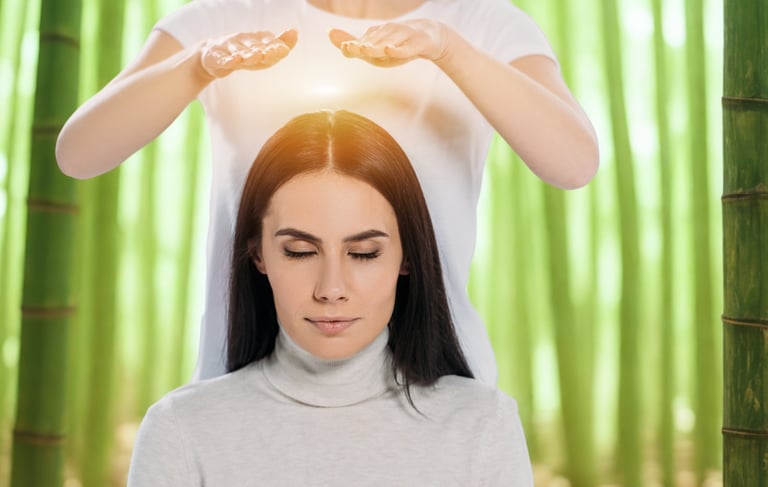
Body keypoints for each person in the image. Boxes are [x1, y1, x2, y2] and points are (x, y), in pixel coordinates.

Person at [56, 0, 599, 384]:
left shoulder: (482, 22)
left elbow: (573, 162)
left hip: (432, 388)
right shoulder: (223, 18)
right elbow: (80, 152)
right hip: (245, 384)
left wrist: (449, 52)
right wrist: (197, 66)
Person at [126, 110, 534, 485]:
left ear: (406, 256)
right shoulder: (182, 431)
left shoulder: (483, 425)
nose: (332, 289)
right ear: (258, 254)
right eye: (300, 252)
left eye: (363, 254)